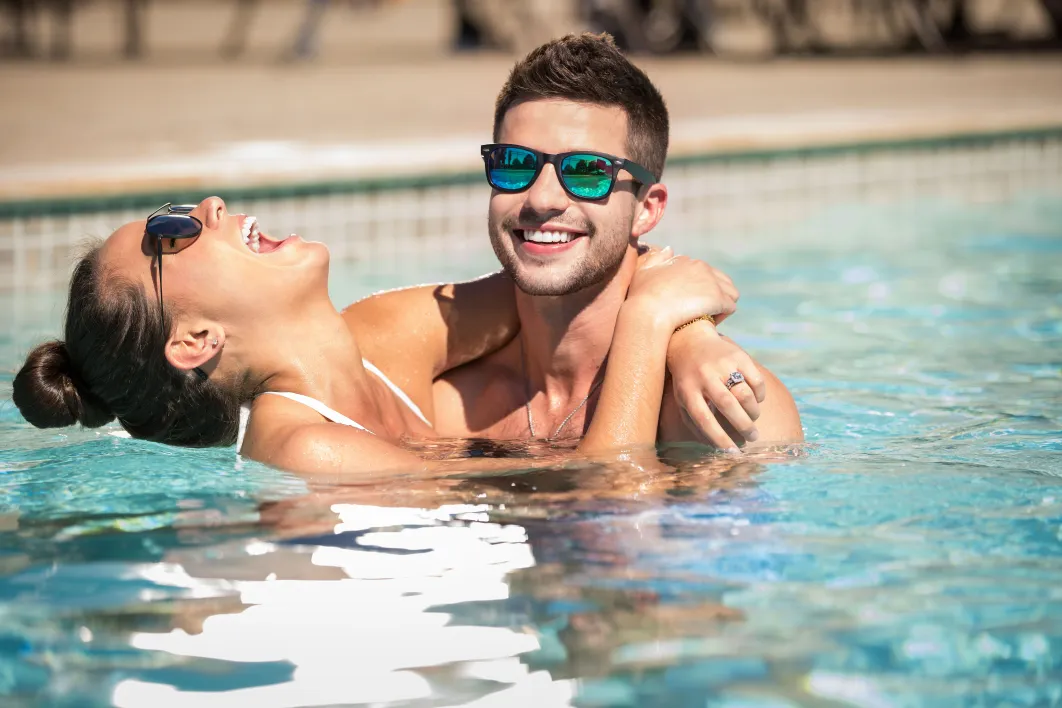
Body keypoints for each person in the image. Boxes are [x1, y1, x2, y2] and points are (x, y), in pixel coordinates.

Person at [11, 197, 740, 477]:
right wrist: (652, 325)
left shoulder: (381, 332)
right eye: (172, 233)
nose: (208, 205)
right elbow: (601, 498)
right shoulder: (303, 448)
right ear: (196, 339)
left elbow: (580, 274)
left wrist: (694, 339)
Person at [375, 33, 800, 450]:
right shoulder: (448, 411)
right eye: (515, 163)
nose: (541, 199)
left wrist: (656, 321)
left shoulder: (725, 409)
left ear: (647, 209)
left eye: (586, 172)